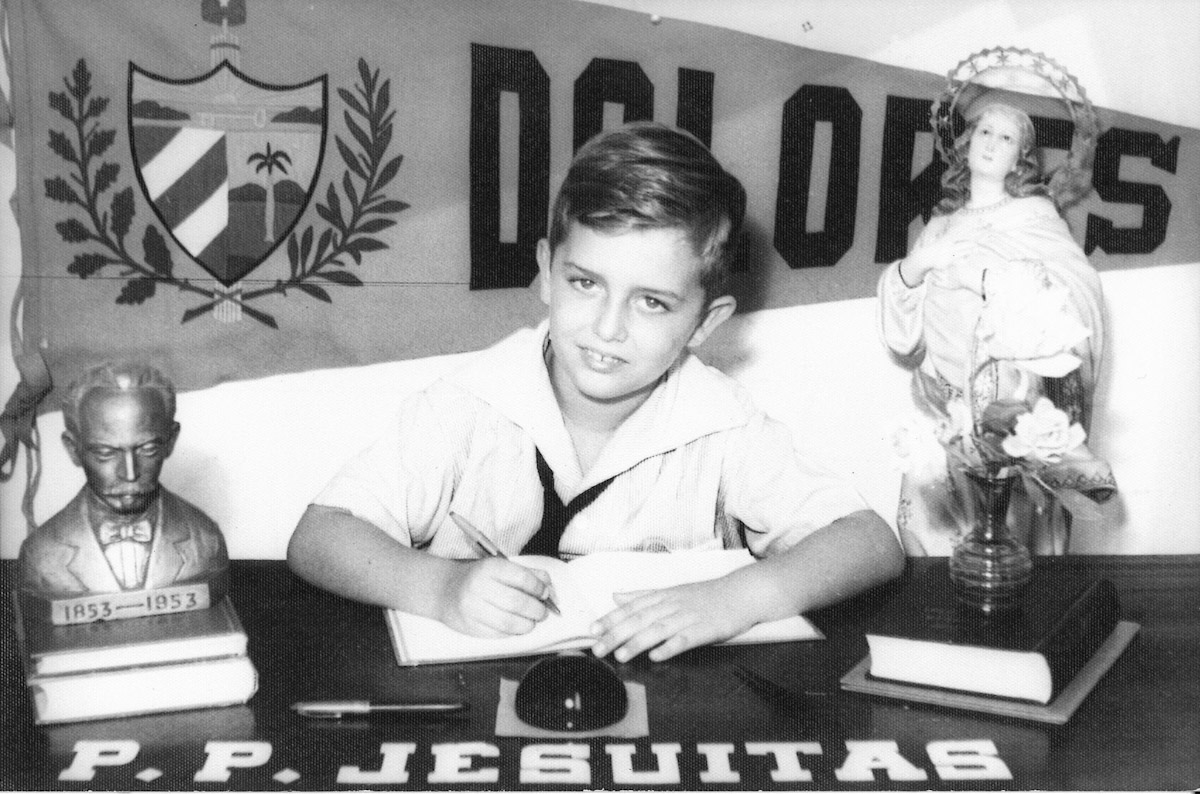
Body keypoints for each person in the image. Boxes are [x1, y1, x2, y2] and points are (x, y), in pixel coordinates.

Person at [289, 121, 903, 662]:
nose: (608, 328)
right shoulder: (464, 403)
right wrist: (438, 589)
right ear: (545, 275)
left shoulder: (722, 422)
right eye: (585, 283)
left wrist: (735, 599)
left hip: (672, 710)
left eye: (652, 302)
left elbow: (871, 544)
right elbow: (319, 539)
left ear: (706, 323)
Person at [878, 102, 1114, 556]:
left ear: (1021, 158)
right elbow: (902, 339)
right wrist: (912, 268)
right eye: (984, 132)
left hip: (1003, 417)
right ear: (965, 145)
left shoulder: (1035, 219)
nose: (991, 143)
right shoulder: (940, 226)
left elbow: (1072, 296)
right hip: (939, 411)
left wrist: (983, 280)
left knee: (1004, 545)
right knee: (933, 542)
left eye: (1006, 138)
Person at [18, 362, 229, 601]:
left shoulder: (206, 539)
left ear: (170, 441)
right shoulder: (40, 552)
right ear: (73, 449)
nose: (129, 474)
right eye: (105, 453)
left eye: (147, 449)